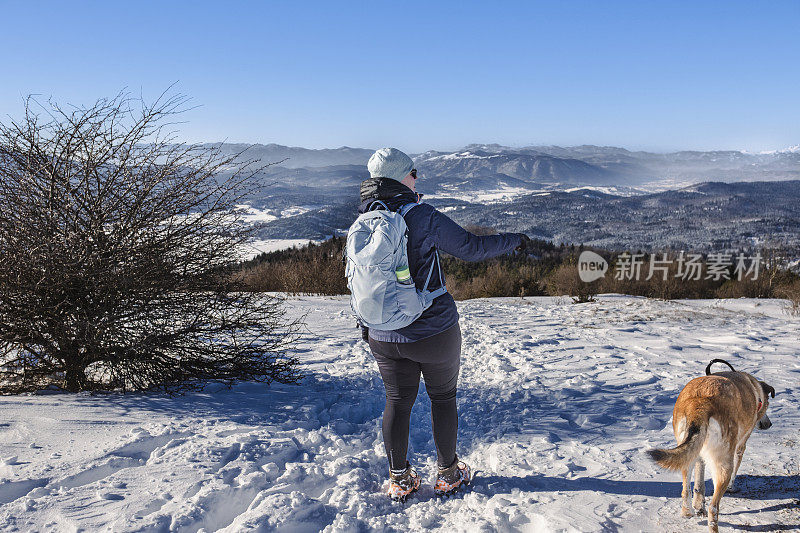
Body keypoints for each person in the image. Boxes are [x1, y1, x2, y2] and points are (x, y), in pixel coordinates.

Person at [358, 147, 529, 501]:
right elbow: (472, 248)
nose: (417, 177)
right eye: (413, 172)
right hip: (433, 330)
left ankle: (400, 479)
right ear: (401, 177)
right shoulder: (422, 216)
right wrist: (515, 240)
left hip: (383, 333)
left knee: (396, 400)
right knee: (442, 397)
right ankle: (449, 474)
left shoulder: (364, 219)